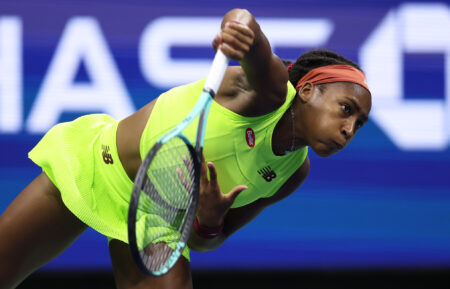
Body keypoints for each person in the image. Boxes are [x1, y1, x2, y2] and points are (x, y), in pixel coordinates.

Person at [0, 8, 371, 289]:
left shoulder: (294, 172)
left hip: (161, 223)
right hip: (99, 169)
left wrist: (208, 221)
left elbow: (209, 240)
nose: (348, 129)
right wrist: (239, 27)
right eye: (346, 109)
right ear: (307, 91)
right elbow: (252, 37)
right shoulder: (269, 92)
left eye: (358, 124)